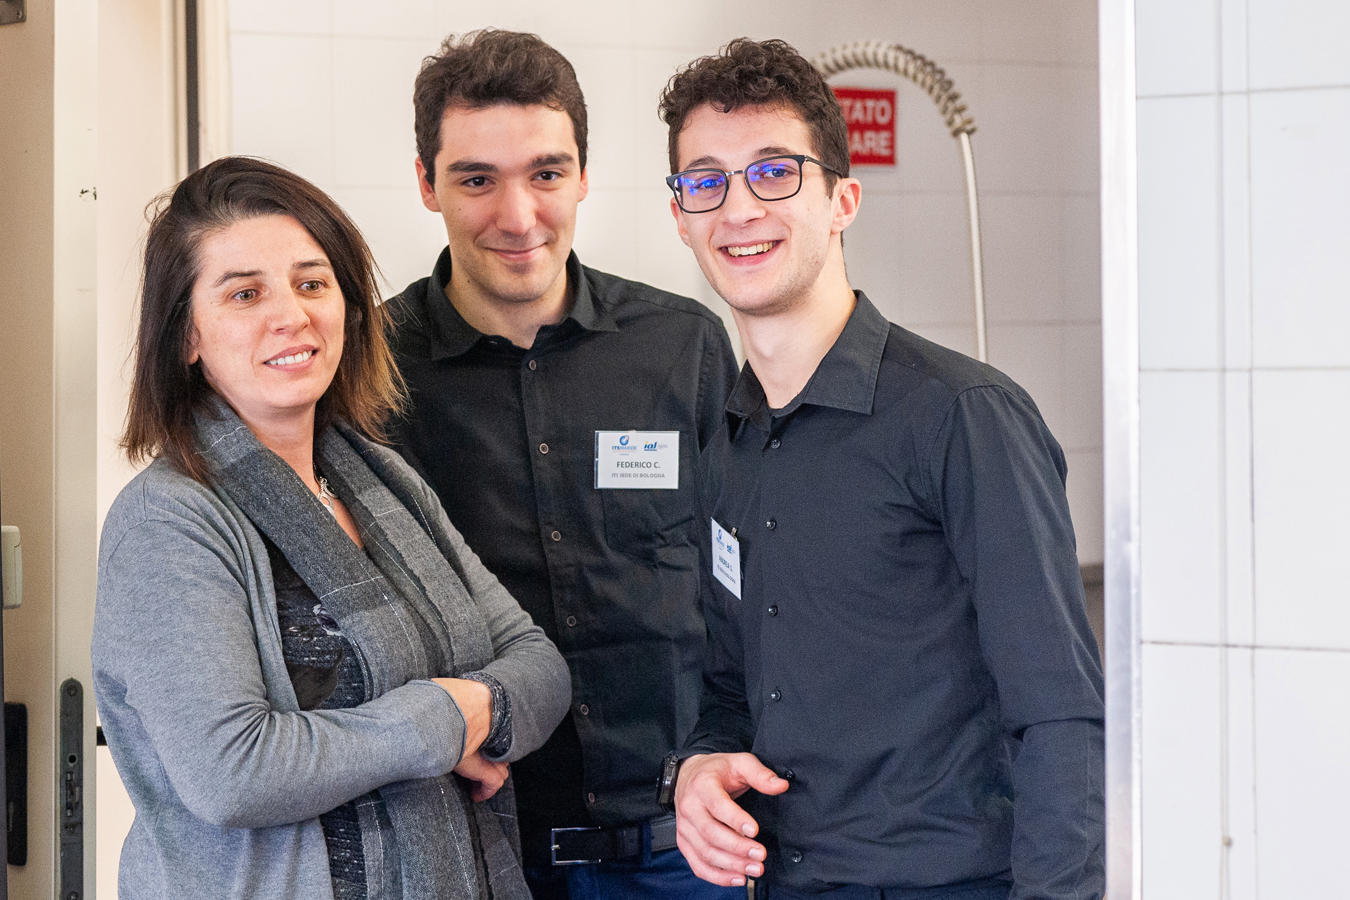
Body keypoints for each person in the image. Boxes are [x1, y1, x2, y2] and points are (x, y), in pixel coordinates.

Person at [655, 39, 1106, 900]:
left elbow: (1062, 714)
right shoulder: (728, 448)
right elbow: (729, 688)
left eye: (774, 173)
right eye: (706, 182)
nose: (739, 208)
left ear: (842, 200)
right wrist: (700, 765)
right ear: (681, 216)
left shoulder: (962, 416)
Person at [92, 156, 571, 900]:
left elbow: (539, 665)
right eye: (245, 293)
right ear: (187, 335)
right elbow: (235, 772)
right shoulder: (169, 521)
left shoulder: (382, 479)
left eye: (312, 283)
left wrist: (475, 710)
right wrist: (444, 721)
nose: (292, 314)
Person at [383, 29, 741, 900]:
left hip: (679, 847)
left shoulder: (681, 345)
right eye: (477, 180)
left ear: (582, 175)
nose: (518, 217)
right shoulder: (372, 369)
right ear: (427, 184)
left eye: (546, 173)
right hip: (478, 846)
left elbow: (746, 578)